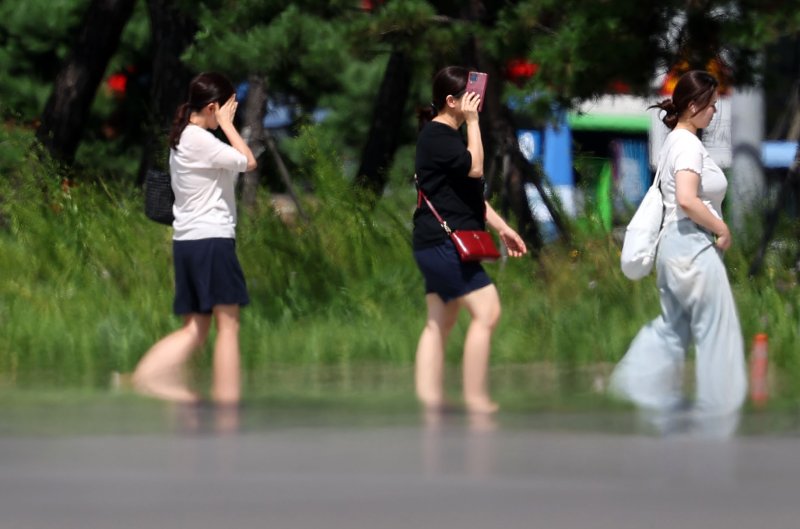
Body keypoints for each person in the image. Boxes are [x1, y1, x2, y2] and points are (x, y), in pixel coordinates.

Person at [609, 70, 747, 421]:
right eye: (711, 105)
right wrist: (722, 228)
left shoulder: (675, 141)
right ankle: (722, 410)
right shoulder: (687, 145)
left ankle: (629, 386)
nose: (715, 112)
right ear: (693, 105)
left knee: (675, 328)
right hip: (691, 243)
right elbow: (687, 199)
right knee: (718, 329)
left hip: (674, 248)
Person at [133, 72, 257, 405]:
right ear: (214, 107)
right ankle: (228, 408)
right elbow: (248, 162)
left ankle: (158, 386)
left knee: (197, 331)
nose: (232, 114)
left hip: (188, 242)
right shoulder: (199, 139)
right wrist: (229, 127)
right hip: (211, 240)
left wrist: (224, 125)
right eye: (229, 109)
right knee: (228, 327)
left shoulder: (185, 138)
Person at [413, 66, 527, 414]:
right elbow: (475, 168)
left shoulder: (443, 137)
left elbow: (470, 197)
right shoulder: (439, 135)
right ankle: (476, 398)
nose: (476, 102)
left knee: (440, 321)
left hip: (436, 241)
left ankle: (430, 400)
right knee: (488, 311)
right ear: (451, 101)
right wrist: (474, 123)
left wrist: (503, 228)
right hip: (444, 243)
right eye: (470, 96)